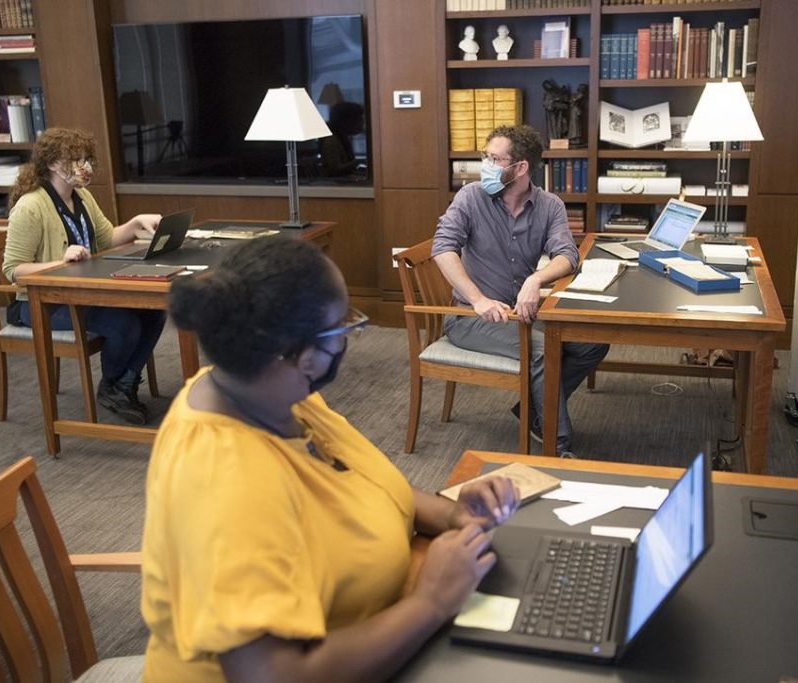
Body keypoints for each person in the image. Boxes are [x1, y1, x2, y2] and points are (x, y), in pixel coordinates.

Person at [141, 237, 519, 682]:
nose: (350, 337)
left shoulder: (264, 388)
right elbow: (274, 676)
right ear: (303, 356)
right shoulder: (226, 481)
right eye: (344, 328)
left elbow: (363, 485)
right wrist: (431, 602)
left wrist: (457, 514)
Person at [432, 124, 609, 457]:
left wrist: (535, 280)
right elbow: (443, 248)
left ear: (521, 167)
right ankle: (559, 447)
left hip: (522, 312)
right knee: (542, 350)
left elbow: (567, 256)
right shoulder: (470, 198)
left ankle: (533, 411)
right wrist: (478, 299)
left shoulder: (549, 205)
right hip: (472, 316)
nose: (485, 165)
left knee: (593, 342)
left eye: (495, 159)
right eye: (485, 156)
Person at [2, 128, 165, 425]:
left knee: (153, 313)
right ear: (52, 164)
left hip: (82, 293)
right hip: (41, 305)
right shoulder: (31, 206)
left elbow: (106, 238)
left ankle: (121, 385)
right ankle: (113, 387)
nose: (85, 167)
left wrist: (135, 222)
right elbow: (14, 269)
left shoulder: (83, 197)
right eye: (76, 160)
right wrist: (58, 262)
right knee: (124, 324)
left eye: (86, 159)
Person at [319, 101, 365, 177]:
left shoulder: (343, 138)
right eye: (359, 119)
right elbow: (334, 170)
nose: (362, 122)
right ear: (347, 121)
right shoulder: (331, 141)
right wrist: (358, 162)